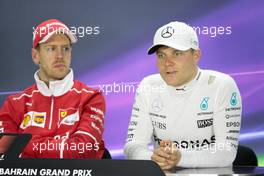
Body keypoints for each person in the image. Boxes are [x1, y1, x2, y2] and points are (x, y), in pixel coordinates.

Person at [124, 21, 242, 169]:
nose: (167, 63)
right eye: (161, 55)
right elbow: (132, 145)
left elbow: (227, 152)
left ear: (196, 55)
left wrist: (180, 157)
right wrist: (152, 157)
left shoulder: (221, 85)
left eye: (177, 53)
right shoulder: (148, 86)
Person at [0, 19, 106, 159]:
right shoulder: (14, 104)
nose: (60, 56)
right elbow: (4, 152)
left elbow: (83, 150)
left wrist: (23, 145)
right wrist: (62, 145)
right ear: (35, 56)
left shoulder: (91, 98)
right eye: (51, 48)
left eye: (65, 48)